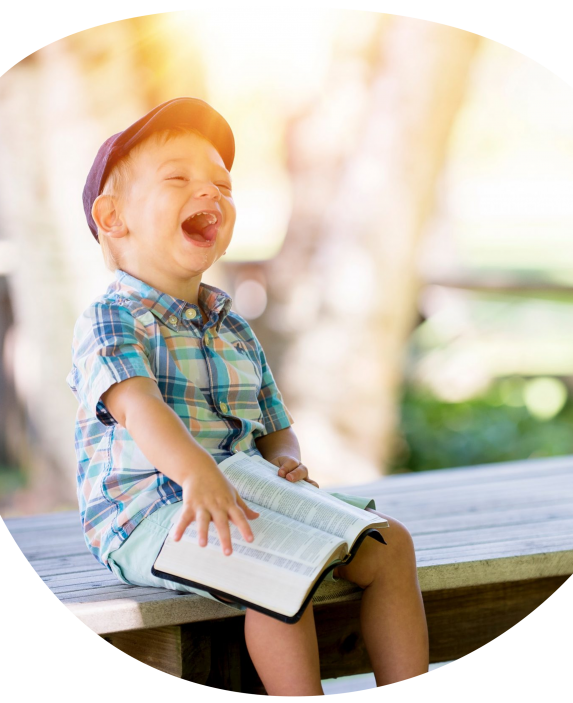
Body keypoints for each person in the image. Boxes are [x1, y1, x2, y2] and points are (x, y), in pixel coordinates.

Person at [67, 98, 429, 695]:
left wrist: (285, 457)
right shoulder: (111, 319)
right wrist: (198, 473)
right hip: (151, 514)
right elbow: (140, 408)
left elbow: (272, 422)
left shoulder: (232, 325)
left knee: (391, 545)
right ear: (113, 218)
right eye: (179, 178)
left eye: (222, 184)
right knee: (277, 569)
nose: (209, 193)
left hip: (245, 493)